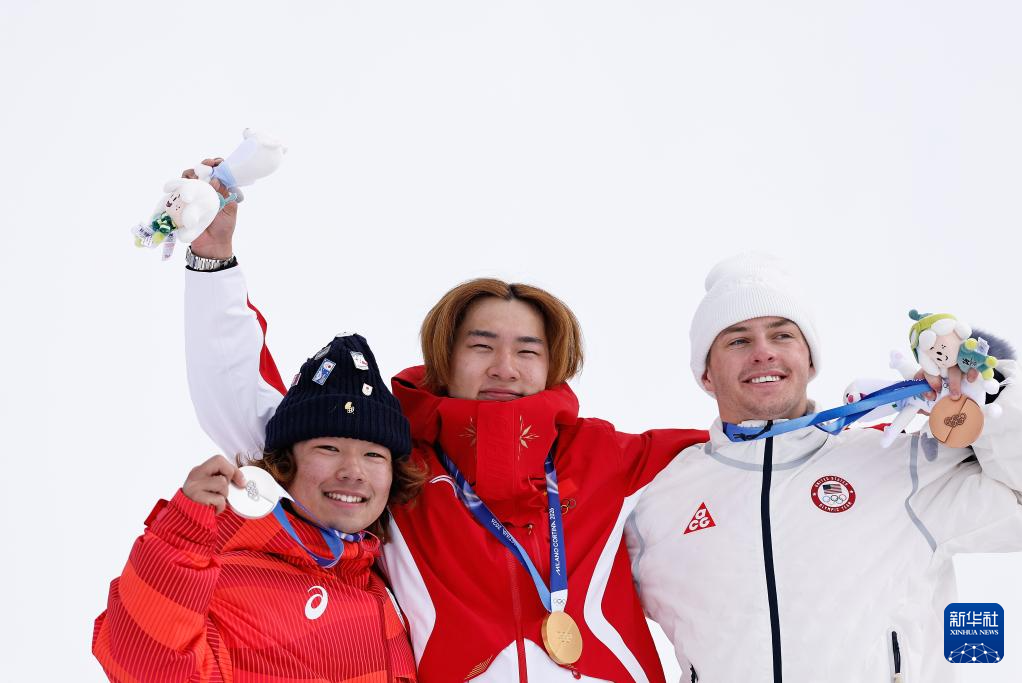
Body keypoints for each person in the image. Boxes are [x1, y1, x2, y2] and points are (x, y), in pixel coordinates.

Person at [178, 159, 707, 682]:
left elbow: (741, 459)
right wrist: (213, 261)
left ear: (554, 365)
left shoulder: (611, 459)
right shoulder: (392, 464)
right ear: (444, 358)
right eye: (480, 346)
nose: (504, 368)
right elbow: (252, 406)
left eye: (528, 350)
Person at [625, 254, 1022, 682]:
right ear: (706, 375)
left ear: (811, 360)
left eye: (782, 335)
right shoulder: (658, 501)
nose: (763, 352)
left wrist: (989, 395)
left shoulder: (899, 466)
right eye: (738, 341)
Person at [93, 334, 424, 682]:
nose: (353, 471)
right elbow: (148, 664)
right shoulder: (216, 575)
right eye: (328, 448)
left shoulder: (388, 589)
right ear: (284, 464)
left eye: (373, 454)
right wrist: (180, 538)